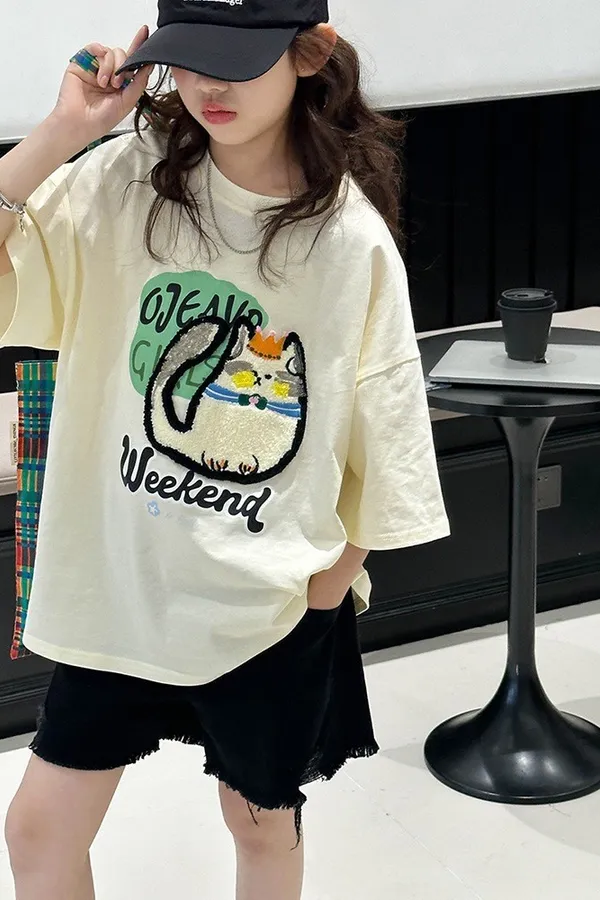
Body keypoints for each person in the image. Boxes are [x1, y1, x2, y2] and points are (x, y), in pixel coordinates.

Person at [0, 1, 449, 898]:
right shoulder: (125, 179)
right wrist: (61, 132)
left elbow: (387, 435)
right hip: (118, 593)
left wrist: (327, 586)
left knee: (260, 826)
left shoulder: (348, 238)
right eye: (189, 57)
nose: (208, 84)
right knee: (39, 829)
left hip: (264, 609)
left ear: (309, 53)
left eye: (237, 61)